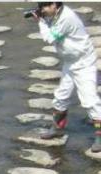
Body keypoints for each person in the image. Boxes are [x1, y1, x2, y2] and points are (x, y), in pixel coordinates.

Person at [31, 2, 101, 151]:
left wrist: (41, 22)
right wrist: (44, 18)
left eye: (45, 6)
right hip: (70, 62)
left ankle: (100, 137)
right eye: (41, 7)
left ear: (55, 4)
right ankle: (57, 128)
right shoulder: (55, 15)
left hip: (84, 62)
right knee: (61, 96)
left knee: (90, 100)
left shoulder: (66, 17)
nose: (42, 10)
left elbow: (50, 38)